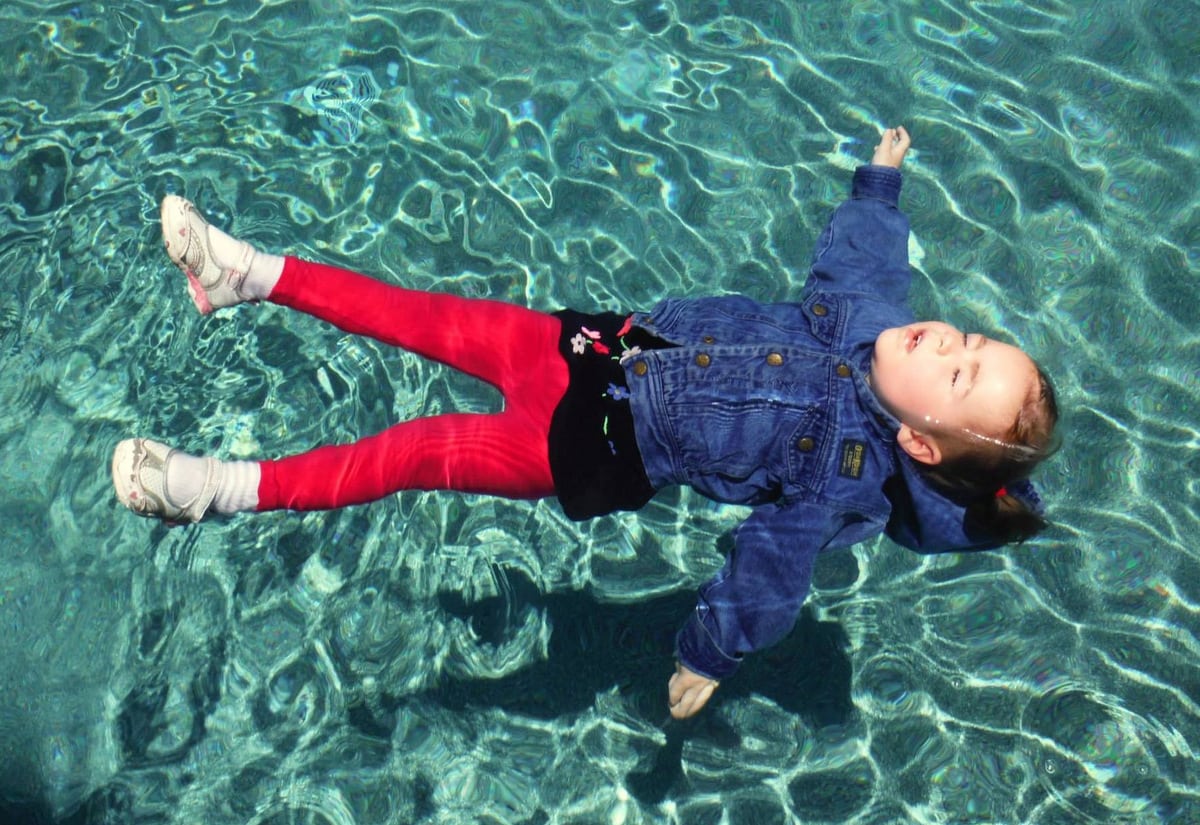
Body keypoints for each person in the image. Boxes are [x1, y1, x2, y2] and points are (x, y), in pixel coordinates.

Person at [112, 127, 1058, 719]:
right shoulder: (872, 324)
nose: (947, 341)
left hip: (588, 448)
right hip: (598, 348)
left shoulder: (839, 476)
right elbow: (866, 263)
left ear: (920, 444)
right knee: (422, 314)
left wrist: (710, 653)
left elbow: (772, 573)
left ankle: (216, 490)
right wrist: (878, 186)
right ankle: (249, 276)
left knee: (407, 455)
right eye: (970, 339)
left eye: (960, 371)